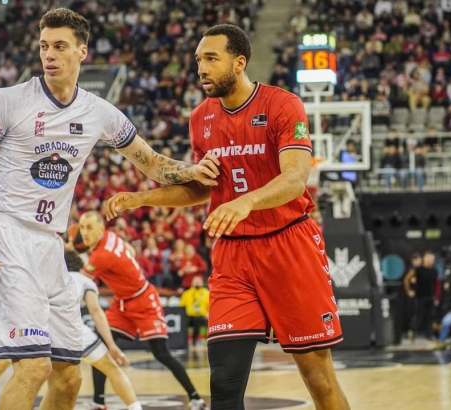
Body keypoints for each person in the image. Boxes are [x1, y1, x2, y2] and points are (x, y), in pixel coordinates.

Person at [0, 8, 217, 410]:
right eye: (44, 46)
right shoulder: (8, 101)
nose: (49, 55)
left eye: (60, 46)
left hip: (50, 245)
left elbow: (152, 163)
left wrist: (191, 170)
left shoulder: (98, 112)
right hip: (4, 236)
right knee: (34, 367)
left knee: (70, 377)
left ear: (82, 52)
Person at [105, 24, 349, 409]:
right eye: (199, 59)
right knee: (224, 380)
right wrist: (142, 198)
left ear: (239, 62)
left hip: (289, 244)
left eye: (211, 59)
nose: (201, 68)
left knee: (317, 378)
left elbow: (295, 179)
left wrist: (246, 202)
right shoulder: (200, 117)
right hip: (234, 255)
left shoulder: (282, 105)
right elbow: (203, 188)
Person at [0, 251, 143, 410]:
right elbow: (96, 312)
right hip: (73, 332)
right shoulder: (85, 280)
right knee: (111, 371)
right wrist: (111, 344)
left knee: (1, 368)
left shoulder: (47, 275)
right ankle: (135, 407)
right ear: (81, 266)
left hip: (38, 328)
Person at [77, 211, 207, 410]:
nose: (84, 232)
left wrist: (70, 250)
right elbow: (130, 249)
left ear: (100, 229)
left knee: (162, 353)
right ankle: (98, 402)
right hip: (123, 302)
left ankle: (195, 397)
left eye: (89, 228)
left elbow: (79, 280)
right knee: (101, 347)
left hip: (144, 299)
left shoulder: (101, 255)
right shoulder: (112, 237)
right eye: (82, 227)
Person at [180, 276, 210, 347]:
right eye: (195, 281)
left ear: (202, 283)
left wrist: (208, 314)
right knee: (185, 321)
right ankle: (185, 342)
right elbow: (181, 307)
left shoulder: (207, 293)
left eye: (199, 281)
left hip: (202, 316)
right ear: (192, 283)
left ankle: (203, 341)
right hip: (189, 316)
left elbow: (211, 306)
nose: (197, 282)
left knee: (199, 320)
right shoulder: (186, 293)